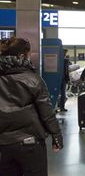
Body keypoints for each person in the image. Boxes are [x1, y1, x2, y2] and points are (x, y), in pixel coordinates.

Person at [0, 37, 63, 175]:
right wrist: (56, 136)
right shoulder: (33, 79)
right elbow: (46, 113)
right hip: (30, 143)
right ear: (22, 56)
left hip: (3, 145)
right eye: (29, 55)